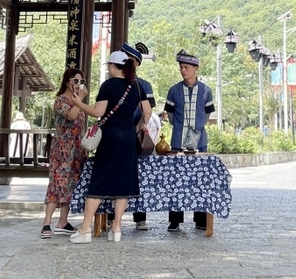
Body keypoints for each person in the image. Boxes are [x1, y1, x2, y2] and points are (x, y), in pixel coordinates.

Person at [68, 51, 151, 244]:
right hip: (129, 139)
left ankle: (85, 228)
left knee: (99, 180)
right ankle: (117, 229)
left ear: (114, 66)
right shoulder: (137, 86)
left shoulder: (108, 85)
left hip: (110, 137)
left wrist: (79, 103)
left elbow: (98, 112)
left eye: (109, 66)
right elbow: (147, 111)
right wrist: (136, 128)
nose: (108, 69)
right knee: (124, 183)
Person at [163, 49, 215, 232]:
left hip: (200, 142)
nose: (182, 70)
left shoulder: (206, 91)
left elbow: (208, 113)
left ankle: (200, 219)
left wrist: (198, 128)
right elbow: (169, 115)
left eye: (186, 67)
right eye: (181, 67)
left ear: (195, 68)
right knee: (176, 181)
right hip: (177, 142)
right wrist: (179, 127)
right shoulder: (173, 90)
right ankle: (175, 220)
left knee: (200, 181)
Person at [41, 68, 88, 239]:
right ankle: (46, 223)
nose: (78, 85)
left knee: (71, 184)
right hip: (62, 149)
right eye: (76, 81)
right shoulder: (61, 100)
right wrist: (80, 99)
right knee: (56, 184)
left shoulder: (79, 102)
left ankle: (62, 221)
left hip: (77, 149)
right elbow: (70, 116)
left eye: (81, 81)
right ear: (67, 81)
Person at [120, 42, 158, 230]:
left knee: (139, 176)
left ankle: (140, 217)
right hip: (118, 135)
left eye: (129, 60)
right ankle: (111, 217)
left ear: (135, 63)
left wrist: (138, 127)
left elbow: (147, 112)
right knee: (117, 175)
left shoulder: (144, 85)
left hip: (134, 135)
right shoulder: (111, 82)